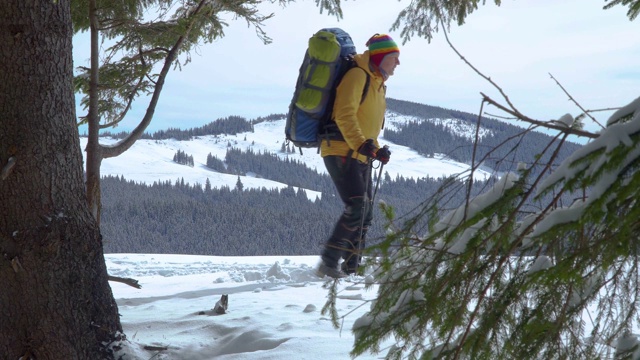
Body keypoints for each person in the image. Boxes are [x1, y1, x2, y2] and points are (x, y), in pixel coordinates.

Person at [316, 33, 400, 278]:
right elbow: (344, 114)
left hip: (360, 153)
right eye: (394, 58)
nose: (397, 63)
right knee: (357, 206)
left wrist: (375, 148)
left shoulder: (377, 83)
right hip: (341, 149)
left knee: (365, 213)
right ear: (381, 57)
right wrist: (362, 143)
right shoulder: (357, 75)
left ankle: (352, 266)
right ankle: (328, 263)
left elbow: (366, 122)